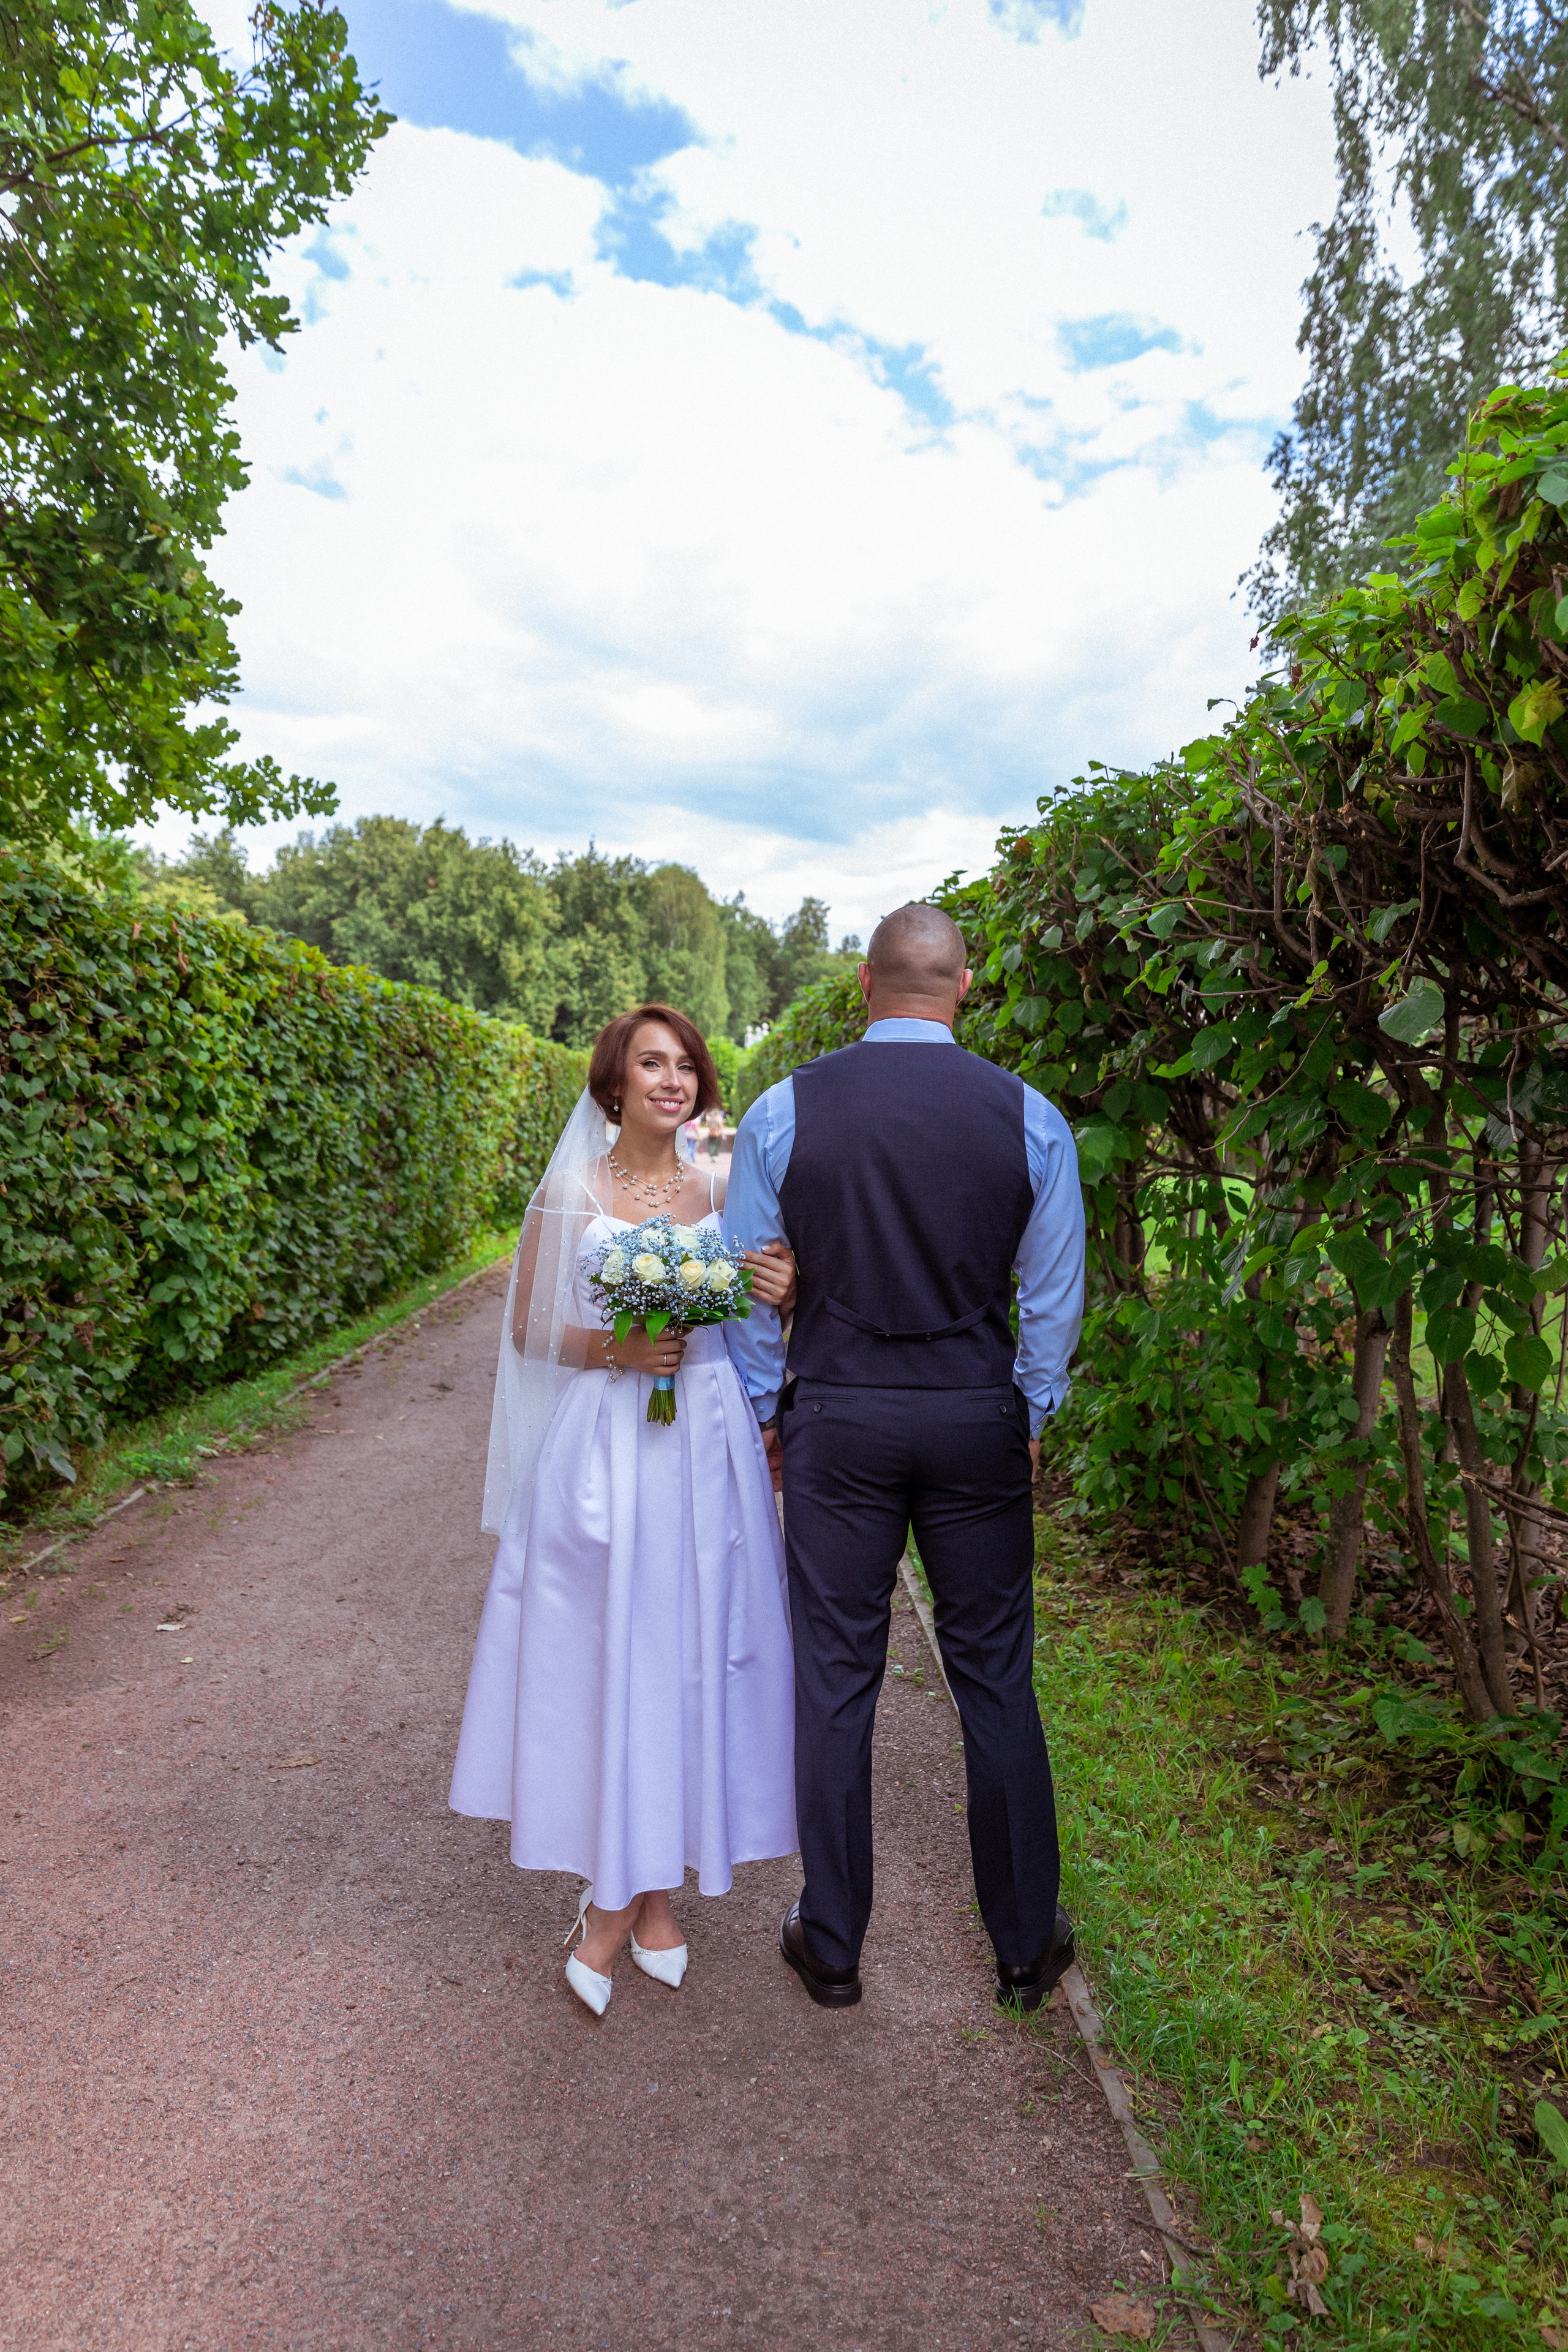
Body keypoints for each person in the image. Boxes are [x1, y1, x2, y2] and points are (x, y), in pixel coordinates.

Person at [724, 905, 1085, 2012]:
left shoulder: (783, 1112)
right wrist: (1029, 1409)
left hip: (838, 1415)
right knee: (995, 1677)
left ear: (867, 986)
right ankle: (1025, 1946)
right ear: (964, 985)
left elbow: (751, 1275)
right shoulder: (1031, 1118)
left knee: (836, 1681)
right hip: (974, 1416)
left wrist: (767, 1404)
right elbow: (1055, 1295)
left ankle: (831, 1944)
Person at [450, 1004, 800, 2016]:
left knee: (687, 1648)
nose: (672, 1080)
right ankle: (628, 1904)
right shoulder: (571, 1190)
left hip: (705, 1445)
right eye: (652, 1063)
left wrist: (776, 1284)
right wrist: (618, 1348)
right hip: (608, 1446)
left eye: (685, 1065)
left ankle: (634, 1904)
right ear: (615, 1081)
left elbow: (758, 1291)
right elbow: (525, 1331)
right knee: (616, 1653)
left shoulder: (724, 1188)